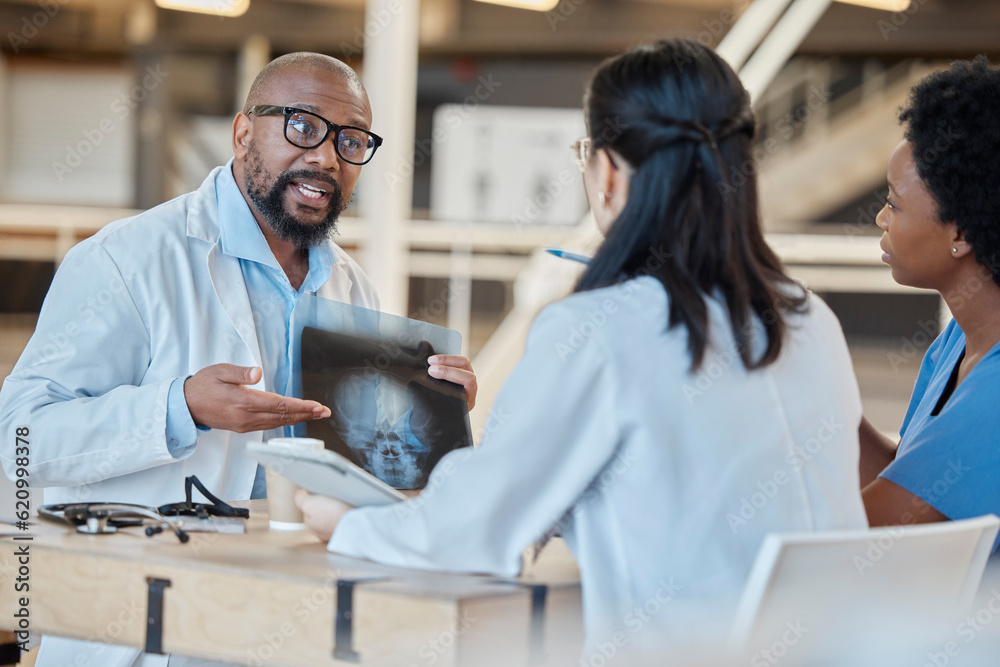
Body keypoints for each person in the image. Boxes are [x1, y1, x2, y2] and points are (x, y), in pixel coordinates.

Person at [297, 39, 867, 657]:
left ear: (611, 173)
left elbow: (473, 533)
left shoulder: (601, 327)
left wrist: (348, 524)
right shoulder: (811, 319)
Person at [0, 52, 476, 666]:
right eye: (303, 127)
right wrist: (181, 408)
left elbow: (357, 479)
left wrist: (435, 421)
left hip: (287, 622)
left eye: (351, 142)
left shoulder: (352, 288)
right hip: (150, 627)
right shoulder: (125, 260)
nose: (327, 158)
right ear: (243, 131)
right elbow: (17, 439)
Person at [859, 57, 1000, 537]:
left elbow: (867, 529)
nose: (881, 218)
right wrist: (824, 396)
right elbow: (907, 477)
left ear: (960, 232)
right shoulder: (960, 338)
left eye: (894, 204)